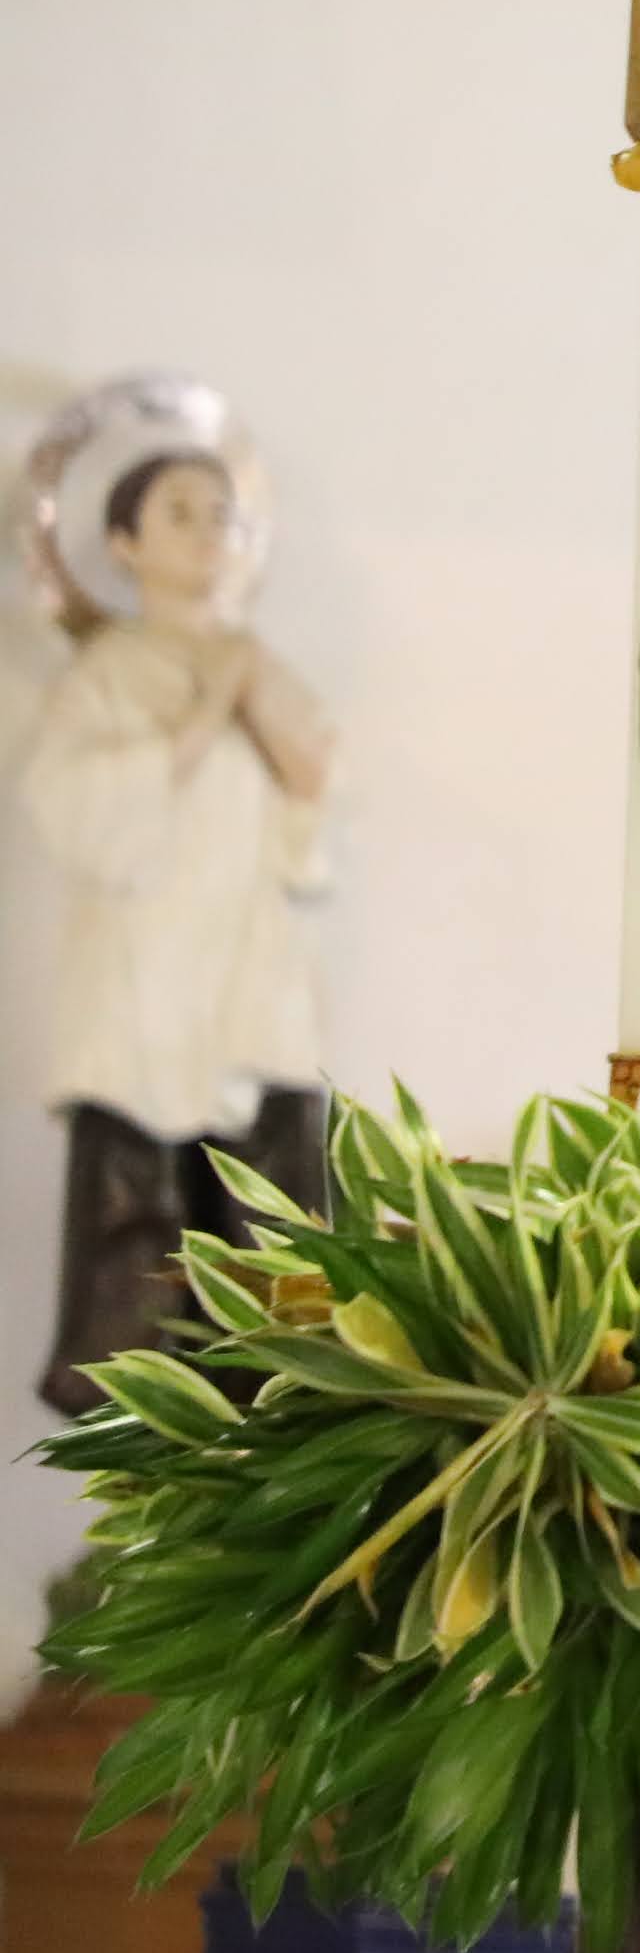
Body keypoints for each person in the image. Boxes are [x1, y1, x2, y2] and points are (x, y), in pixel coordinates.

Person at [24, 445, 332, 1416]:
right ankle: (135, 1438)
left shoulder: (258, 665)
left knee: (269, 1229)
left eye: (223, 515)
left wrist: (244, 685)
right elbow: (75, 807)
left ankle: (271, 1404)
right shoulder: (108, 674)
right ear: (123, 542)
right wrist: (205, 703)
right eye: (182, 513)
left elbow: (314, 789)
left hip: (247, 976)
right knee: (141, 1241)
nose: (209, 532)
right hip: (144, 987)